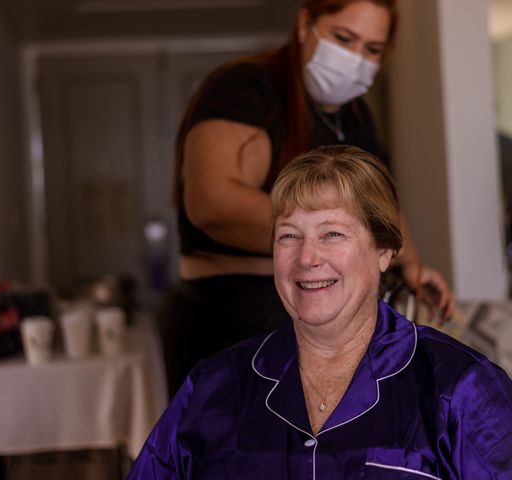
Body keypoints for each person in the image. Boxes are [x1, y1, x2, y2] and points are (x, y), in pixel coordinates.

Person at [129, 145, 512, 479]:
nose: (306, 258)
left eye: (332, 234)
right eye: (289, 236)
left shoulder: (462, 388)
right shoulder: (213, 386)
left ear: (383, 251)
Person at [161, 0, 455, 396]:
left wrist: (412, 265)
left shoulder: (356, 118)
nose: (354, 59)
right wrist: (339, 230)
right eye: (343, 38)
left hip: (330, 328)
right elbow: (212, 202)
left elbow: (378, 205)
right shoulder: (246, 89)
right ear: (305, 25)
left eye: (372, 49)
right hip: (236, 318)